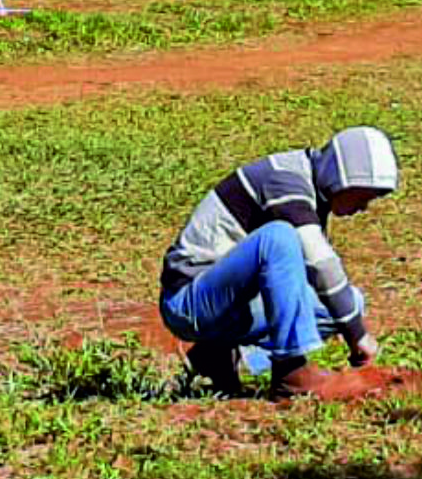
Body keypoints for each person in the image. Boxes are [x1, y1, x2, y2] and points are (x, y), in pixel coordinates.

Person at [159, 127, 398, 399]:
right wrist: (357, 336)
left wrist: (351, 323)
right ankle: (291, 373)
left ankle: (216, 355)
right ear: (341, 177)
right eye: (363, 194)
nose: (364, 206)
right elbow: (320, 263)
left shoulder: (310, 188)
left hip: (226, 303)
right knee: (279, 238)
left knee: (347, 304)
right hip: (189, 300)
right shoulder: (286, 181)